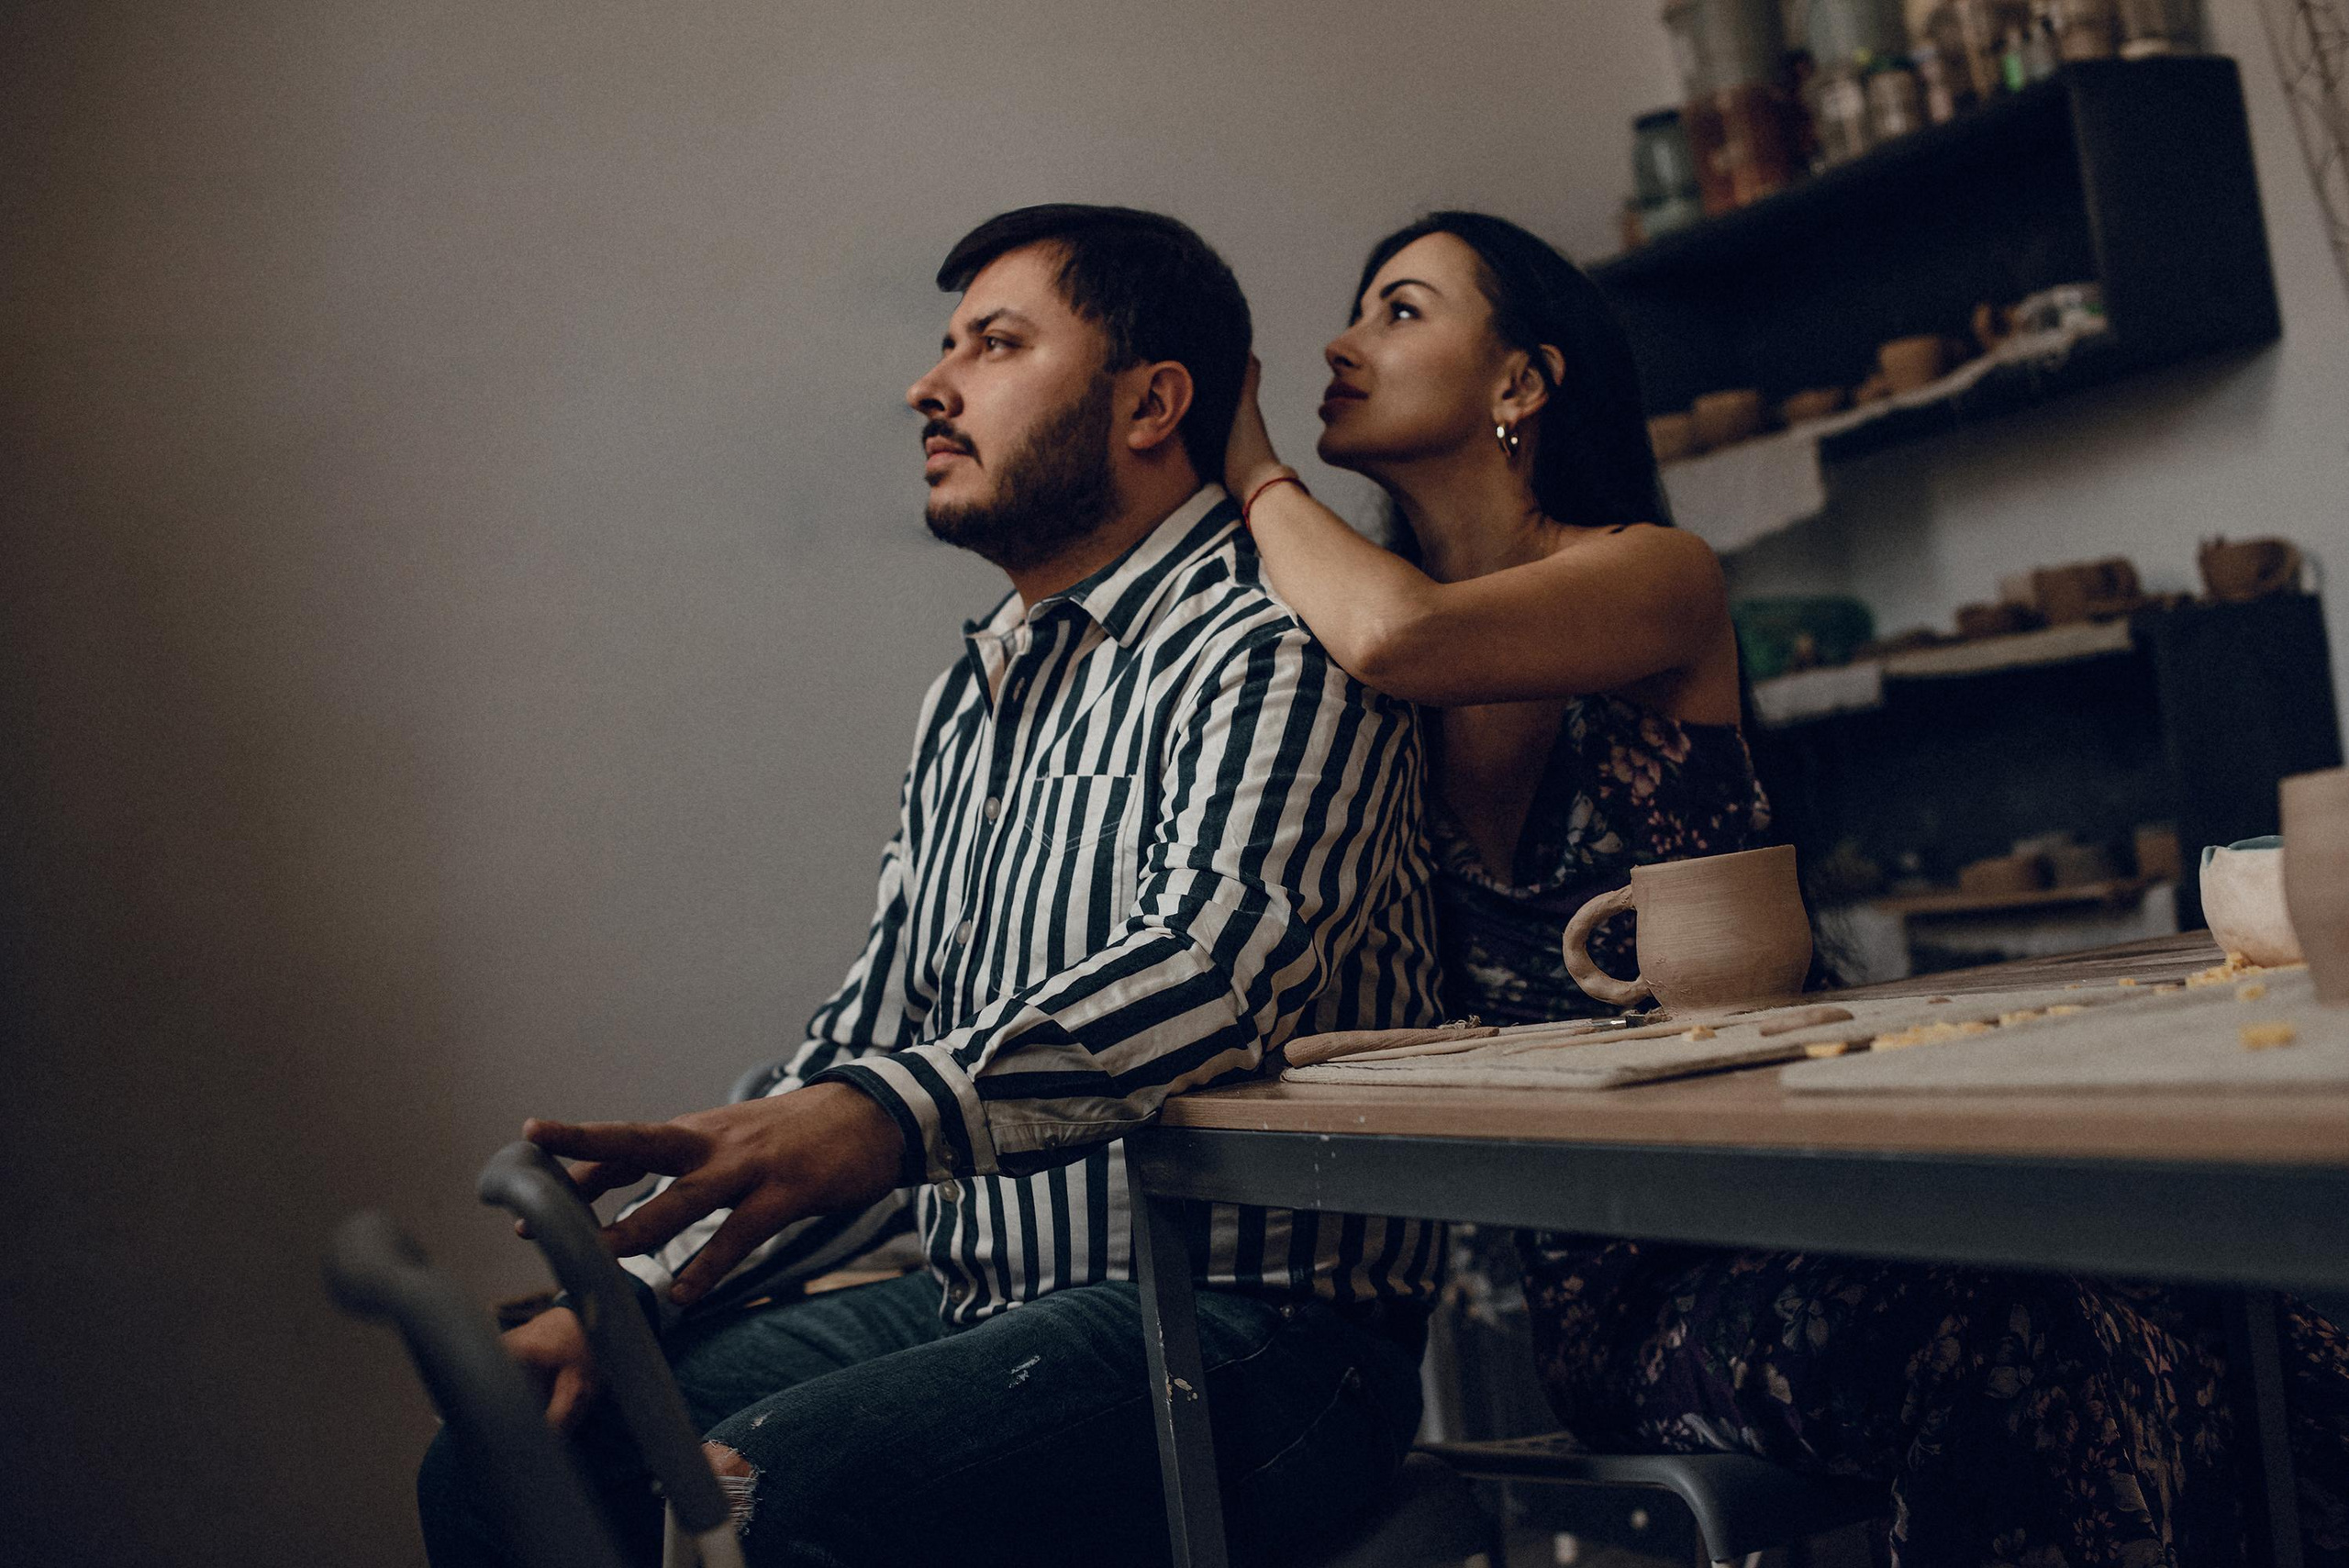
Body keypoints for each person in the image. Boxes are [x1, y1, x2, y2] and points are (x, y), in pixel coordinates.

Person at [1223, 208, 2349, 1567]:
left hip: (1816, 1186)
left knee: (2221, 1288)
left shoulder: (1655, 574)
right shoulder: (1334, 665)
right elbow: (1386, 635)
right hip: (1630, 1286)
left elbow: (1409, 633)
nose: (1343, 342)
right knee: (2010, 1327)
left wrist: (1250, 467)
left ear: (1520, 380)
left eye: (1399, 309)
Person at [417, 204, 1446, 1568]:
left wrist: (880, 1114)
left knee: (778, 1489)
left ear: (1153, 403)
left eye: (997, 344)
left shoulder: (1272, 641)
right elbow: (878, 1038)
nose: (930, 382)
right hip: (987, 1300)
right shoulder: (975, 690)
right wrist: (634, 1299)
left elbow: (1211, 973)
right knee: (504, 1454)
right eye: (945, 344)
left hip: (1258, 1336)